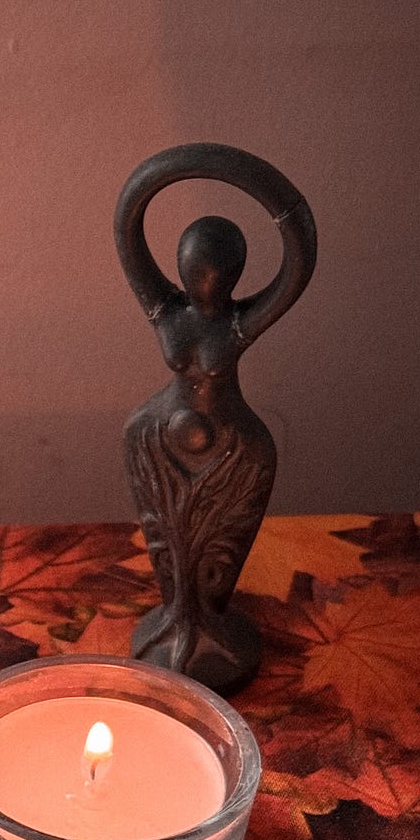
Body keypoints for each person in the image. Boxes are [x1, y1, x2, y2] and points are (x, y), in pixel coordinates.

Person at [114, 143, 316, 692]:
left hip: (231, 442)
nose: (200, 279)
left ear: (233, 275)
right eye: (192, 268)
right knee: (169, 540)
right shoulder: (166, 311)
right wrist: (158, 176)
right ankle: (176, 620)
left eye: (211, 271)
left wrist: (283, 208)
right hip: (158, 436)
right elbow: (128, 234)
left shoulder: (238, 323)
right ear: (179, 267)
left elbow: (297, 267)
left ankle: (205, 623)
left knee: (216, 545)